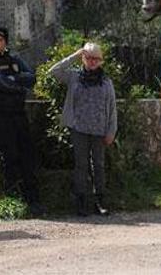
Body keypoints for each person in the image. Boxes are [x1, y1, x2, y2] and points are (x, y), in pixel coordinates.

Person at [0, 27, 46, 216]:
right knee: (10, 155)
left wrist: (13, 79)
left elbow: (31, 77)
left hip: (17, 113)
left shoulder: (13, 59)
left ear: (5, 42)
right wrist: (17, 84)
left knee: (27, 154)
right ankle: (11, 197)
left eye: (0, 39)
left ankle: (32, 199)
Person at [49, 43, 117, 217]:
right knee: (81, 165)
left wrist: (111, 131)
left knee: (99, 166)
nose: (92, 61)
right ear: (83, 59)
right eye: (88, 57)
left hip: (100, 130)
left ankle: (100, 202)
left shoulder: (107, 82)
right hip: (78, 128)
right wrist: (74, 55)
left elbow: (112, 108)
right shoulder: (73, 77)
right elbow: (54, 71)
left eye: (96, 58)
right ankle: (80, 203)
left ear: (100, 61)